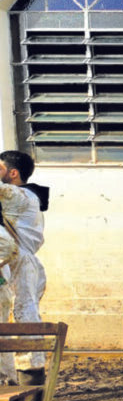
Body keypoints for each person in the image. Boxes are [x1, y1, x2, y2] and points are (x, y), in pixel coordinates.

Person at [0, 151, 48, 385]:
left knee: (24, 317)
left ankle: (31, 381)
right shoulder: (25, 197)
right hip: (15, 262)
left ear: (13, 173)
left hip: (20, 263)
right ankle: (8, 379)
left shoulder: (19, 195)